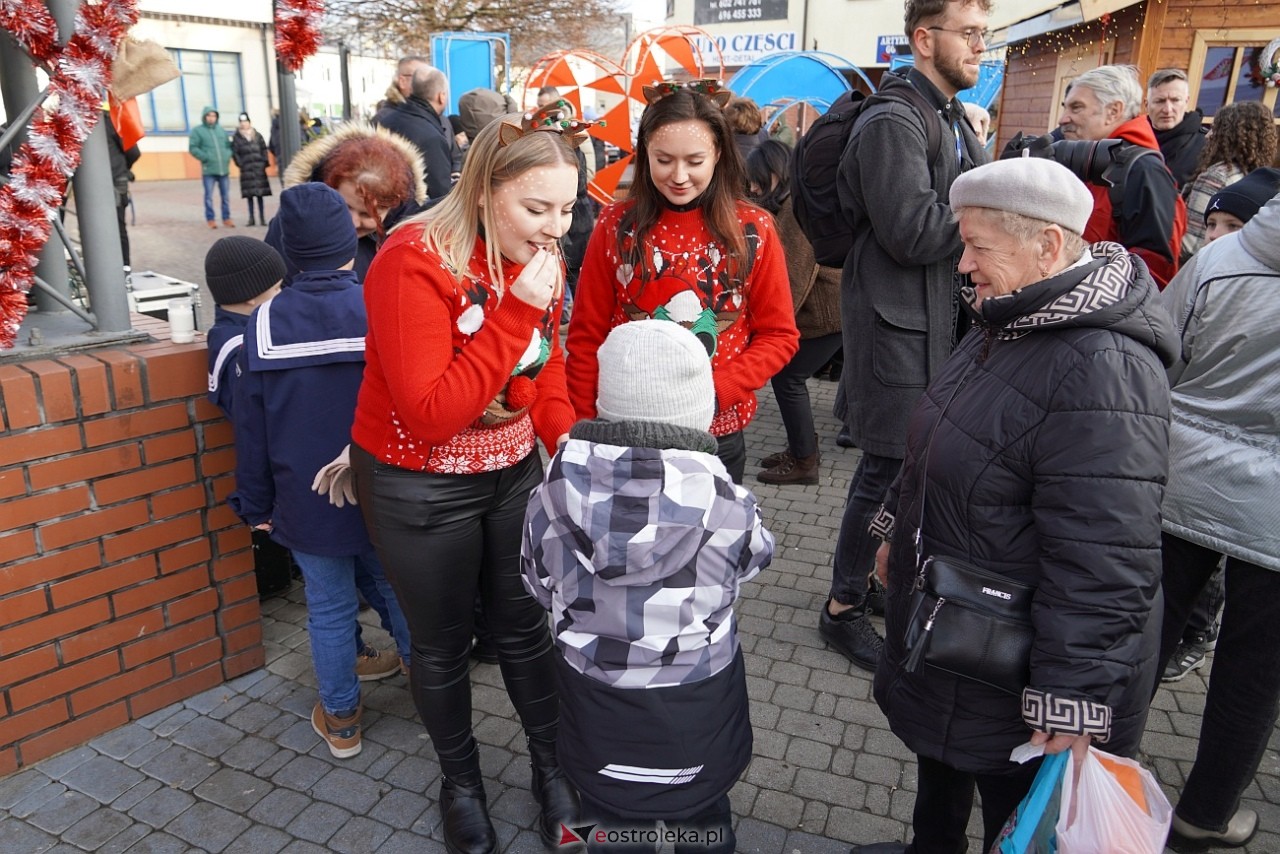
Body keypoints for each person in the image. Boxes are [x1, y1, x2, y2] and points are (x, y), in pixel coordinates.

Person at [854, 156, 1175, 854]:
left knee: (1017, 811)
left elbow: (1105, 556)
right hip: (961, 630)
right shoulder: (1014, 314)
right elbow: (940, 430)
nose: (961, 263)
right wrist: (894, 531)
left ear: (1048, 246)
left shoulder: (1103, 368)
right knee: (941, 771)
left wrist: (1071, 697)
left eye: (977, 246)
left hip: (1016, 663)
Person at [348, 107, 585, 853]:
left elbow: (539, 374)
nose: (555, 228)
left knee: (525, 628)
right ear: (485, 190)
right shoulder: (411, 259)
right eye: (537, 208)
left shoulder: (539, 259)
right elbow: (431, 413)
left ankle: (554, 772)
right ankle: (461, 783)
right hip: (417, 478)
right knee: (443, 643)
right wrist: (517, 311)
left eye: (569, 209)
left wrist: (568, 445)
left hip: (512, 467)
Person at [522, 320, 774, 854]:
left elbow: (538, 583)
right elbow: (752, 563)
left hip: (596, 704)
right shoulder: (729, 504)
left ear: (606, 401)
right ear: (698, 408)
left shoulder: (549, 496)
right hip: (698, 704)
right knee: (705, 820)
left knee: (606, 824)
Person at [829, 0, 989, 672]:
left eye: (986, 33)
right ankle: (840, 606)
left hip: (928, 326)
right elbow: (913, 230)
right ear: (925, 39)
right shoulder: (896, 118)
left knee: (905, 473)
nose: (980, 47)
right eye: (971, 34)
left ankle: (869, 579)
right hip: (897, 329)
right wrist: (991, 215)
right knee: (885, 470)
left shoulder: (946, 114)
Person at [228, 182, 413, 759]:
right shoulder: (380, 305)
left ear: (287, 250)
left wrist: (255, 506)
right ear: (348, 243)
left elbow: (252, 432)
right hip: (383, 490)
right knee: (397, 591)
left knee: (328, 608)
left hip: (305, 501)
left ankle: (342, 721)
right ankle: (434, 695)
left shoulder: (260, 327)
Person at [565, 80, 799, 486]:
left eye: (694, 161)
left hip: (716, 434)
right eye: (663, 160)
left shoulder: (754, 228)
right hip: (624, 431)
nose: (678, 176)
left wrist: (717, 389)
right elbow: (586, 335)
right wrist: (587, 425)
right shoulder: (615, 224)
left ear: (718, 155)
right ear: (644, 155)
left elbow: (779, 336)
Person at [1156, 183, 1280, 850]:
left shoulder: (1219, 256)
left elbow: (1162, 351)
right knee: (1254, 669)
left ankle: (1089, 768)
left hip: (1185, 474)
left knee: (1144, 633)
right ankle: (1205, 813)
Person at [746, 140, 841, 486]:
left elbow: (795, 275)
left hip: (826, 314)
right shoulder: (792, 202)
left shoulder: (795, 209)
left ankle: (805, 461)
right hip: (822, 312)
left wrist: (770, 328)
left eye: (757, 180)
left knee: (788, 378)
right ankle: (801, 448)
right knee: (788, 378)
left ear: (776, 173)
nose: (754, 188)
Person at [1058, 64, 1186, 287]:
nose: (1063, 119)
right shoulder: (1090, 159)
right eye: (1065, 108)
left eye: (1076, 108)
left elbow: (1154, 273)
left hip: (1102, 315)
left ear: (1114, 111)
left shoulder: (1143, 170)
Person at [270, 122, 425, 283]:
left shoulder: (414, 238)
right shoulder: (292, 224)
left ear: (394, 207)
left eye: (367, 214)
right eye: (343, 206)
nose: (352, 222)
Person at [1179, 100, 1277, 262]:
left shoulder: (1216, 176)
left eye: (1216, 129)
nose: (1208, 135)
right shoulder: (1259, 181)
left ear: (1230, 136)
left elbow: (1191, 244)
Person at [375, 64, 455, 199]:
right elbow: (440, 195)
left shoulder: (385, 122)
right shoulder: (432, 138)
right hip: (416, 216)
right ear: (441, 96)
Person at [1146, 68, 1206, 190]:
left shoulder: (1206, 145)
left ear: (1186, 101)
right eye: (1160, 101)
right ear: (1146, 104)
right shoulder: (1130, 140)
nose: (1167, 109)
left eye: (1175, 100)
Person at [103, 110, 140, 268]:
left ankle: (121, 267)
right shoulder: (111, 119)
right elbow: (133, 152)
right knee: (118, 227)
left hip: (113, 182)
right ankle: (124, 268)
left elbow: (133, 151)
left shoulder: (110, 119)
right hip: (116, 179)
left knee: (109, 227)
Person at [188, 106, 234, 228]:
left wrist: (227, 156)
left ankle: (226, 218)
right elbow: (193, 148)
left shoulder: (221, 131)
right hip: (209, 170)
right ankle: (210, 219)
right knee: (209, 196)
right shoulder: (198, 131)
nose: (211, 118)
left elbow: (228, 146)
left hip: (223, 170)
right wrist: (206, 157)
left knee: (225, 196)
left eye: (213, 116)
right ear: (204, 117)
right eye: (209, 115)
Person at [230, 112, 271, 226]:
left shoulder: (257, 135)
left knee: (260, 195)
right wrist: (241, 164)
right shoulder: (237, 137)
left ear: (249, 123)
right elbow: (235, 152)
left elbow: (264, 149)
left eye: (246, 122)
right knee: (249, 196)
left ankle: (262, 218)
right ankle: (251, 218)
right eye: (242, 122)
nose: (244, 124)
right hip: (246, 170)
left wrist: (263, 163)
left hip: (258, 169)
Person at [371, 54, 430, 126]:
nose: (427, 83)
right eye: (420, 77)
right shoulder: (384, 120)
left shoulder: (433, 116)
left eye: (428, 78)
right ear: (402, 81)